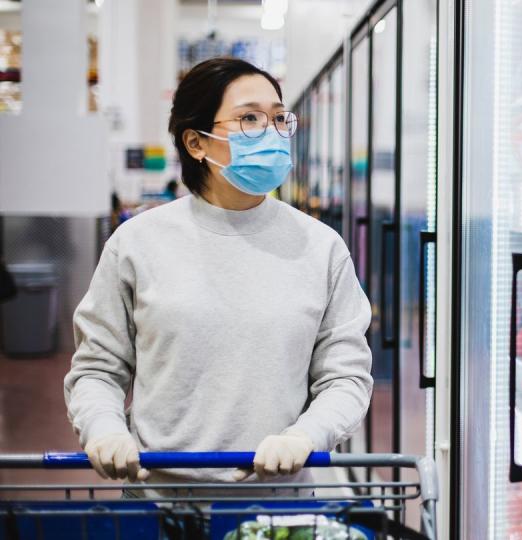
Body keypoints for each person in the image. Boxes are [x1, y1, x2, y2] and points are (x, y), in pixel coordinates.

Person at [64, 58, 373, 487]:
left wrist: (306, 435)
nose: (272, 132)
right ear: (196, 143)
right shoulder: (137, 244)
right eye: (249, 118)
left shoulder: (321, 248)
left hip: (285, 503)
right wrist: (104, 428)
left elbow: (346, 377)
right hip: (165, 497)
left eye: (279, 117)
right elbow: (98, 369)